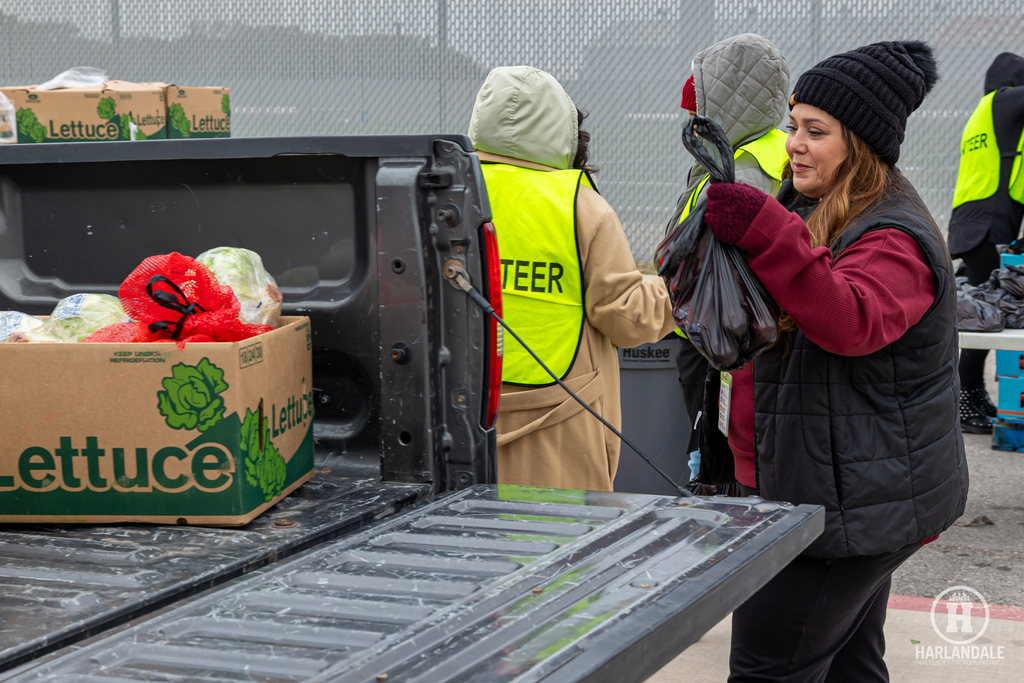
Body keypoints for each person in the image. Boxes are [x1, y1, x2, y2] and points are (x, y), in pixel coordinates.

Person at [693, 41, 968, 681]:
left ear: (861, 147)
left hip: (845, 511)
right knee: (850, 665)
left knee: (769, 668)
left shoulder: (894, 235)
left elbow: (851, 321)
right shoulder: (813, 209)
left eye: (816, 131)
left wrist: (764, 229)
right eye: (793, 125)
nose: (794, 143)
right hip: (823, 494)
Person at [469, 66, 677, 492]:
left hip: (465, 421)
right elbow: (625, 316)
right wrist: (683, 287)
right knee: (563, 551)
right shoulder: (581, 206)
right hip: (560, 425)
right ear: (563, 132)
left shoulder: (447, 194)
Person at [668, 34, 791, 483]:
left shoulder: (739, 173)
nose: (690, 119)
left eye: (698, 107)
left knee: (714, 459)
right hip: (741, 334)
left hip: (717, 337)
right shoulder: (768, 153)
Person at [947, 52, 1024, 434]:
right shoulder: (1003, 102)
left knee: (984, 315)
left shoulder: (985, 114)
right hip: (986, 226)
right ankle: (964, 399)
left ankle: (972, 395)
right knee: (986, 320)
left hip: (973, 223)